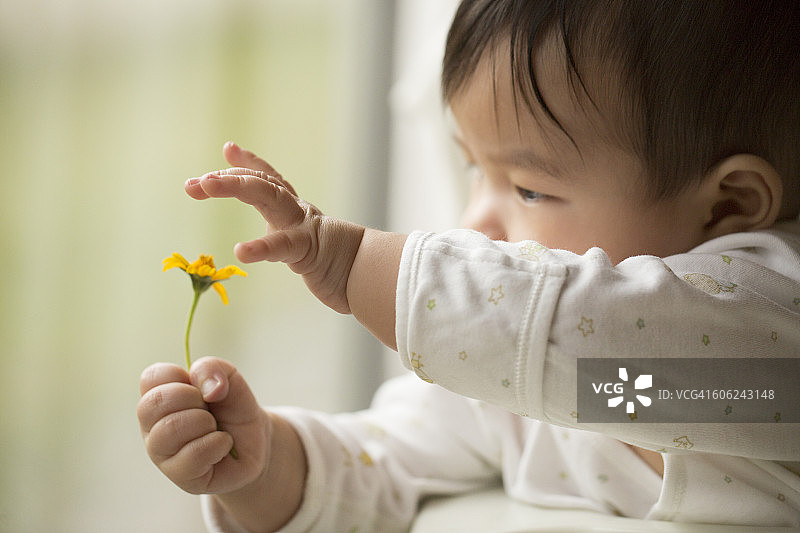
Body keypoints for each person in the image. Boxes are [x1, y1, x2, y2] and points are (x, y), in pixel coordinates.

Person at [137, 1, 800, 531]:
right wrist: (262, 466)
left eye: (530, 188)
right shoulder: (511, 368)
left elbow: (611, 342)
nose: (476, 222)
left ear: (731, 205)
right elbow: (381, 464)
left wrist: (352, 263)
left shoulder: (770, 324)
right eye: (473, 169)